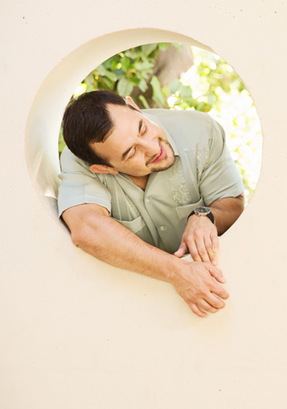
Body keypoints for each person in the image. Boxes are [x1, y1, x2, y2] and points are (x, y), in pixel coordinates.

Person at [58, 90, 246, 317]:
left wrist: (205, 216)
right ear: (105, 169)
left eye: (143, 129)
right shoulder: (81, 161)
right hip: (131, 308)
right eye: (131, 153)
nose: (153, 148)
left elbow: (233, 206)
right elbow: (87, 229)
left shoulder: (200, 131)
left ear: (133, 105)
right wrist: (178, 273)